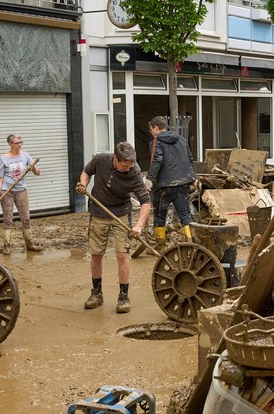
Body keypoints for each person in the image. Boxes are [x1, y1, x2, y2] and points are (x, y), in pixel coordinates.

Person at [75, 142, 151, 314]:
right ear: (115, 159)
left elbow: (146, 202)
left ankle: (123, 297)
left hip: (121, 213)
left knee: (122, 255)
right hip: (99, 211)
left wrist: (138, 226)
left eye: (131, 166)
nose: (128, 169)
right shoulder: (100, 160)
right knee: (96, 254)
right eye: (125, 166)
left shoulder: (134, 173)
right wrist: (83, 184)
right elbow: (87, 172)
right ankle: (97, 294)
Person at [147, 116, 196, 252]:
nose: (151, 133)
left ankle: (160, 246)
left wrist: (150, 179)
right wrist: (193, 178)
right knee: (185, 215)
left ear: (156, 128)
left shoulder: (156, 142)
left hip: (164, 186)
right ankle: (191, 243)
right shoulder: (181, 139)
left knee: (159, 216)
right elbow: (190, 159)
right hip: (182, 183)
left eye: (151, 130)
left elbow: (157, 160)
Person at [0, 134, 43, 254]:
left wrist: (33, 168)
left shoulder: (25, 155)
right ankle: (7, 245)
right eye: (17, 143)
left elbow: (38, 172)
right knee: (8, 218)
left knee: (26, 217)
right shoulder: (3, 159)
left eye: (21, 142)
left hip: (21, 190)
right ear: (10, 144)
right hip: (7, 191)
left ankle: (30, 243)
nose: (20, 145)